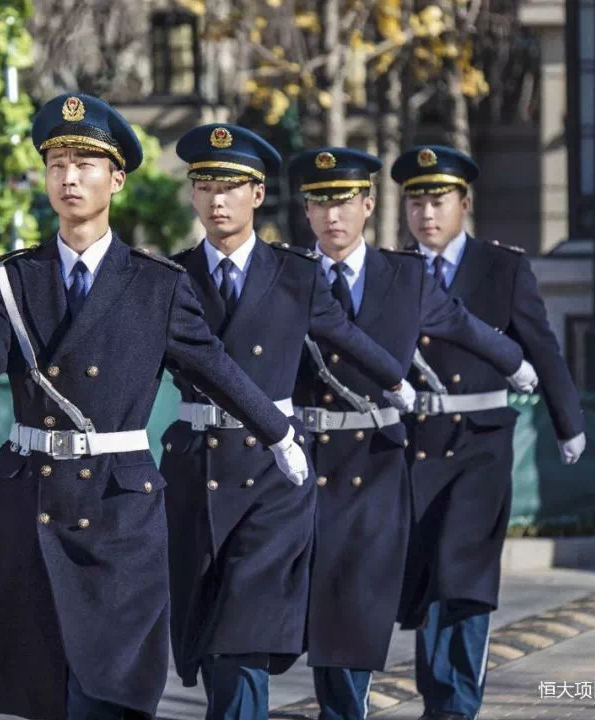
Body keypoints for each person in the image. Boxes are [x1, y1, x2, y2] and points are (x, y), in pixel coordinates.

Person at [0, 94, 310, 720]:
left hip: (117, 507)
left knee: (108, 687)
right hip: (31, 495)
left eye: (85, 164)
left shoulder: (157, 284)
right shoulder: (15, 276)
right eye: (57, 163)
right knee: (39, 682)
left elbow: (215, 367)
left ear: (116, 179)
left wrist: (277, 433)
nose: (68, 177)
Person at [158, 124, 417, 720]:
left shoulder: (297, 274)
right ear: (193, 196)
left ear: (257, 194)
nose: (217, 200)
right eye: (205, 186)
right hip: (196, 465)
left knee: (245, 626)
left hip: (272, 472)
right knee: (206, 624)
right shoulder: (169, 278)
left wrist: (395, 379)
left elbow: (341, 334)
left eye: (231, 187)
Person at [286, 147, 536, 720]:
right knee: (323, 600)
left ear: (369, 205)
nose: (333, 216)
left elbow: (458, 323)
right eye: (320, 203)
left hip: (377, 459)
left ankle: (352, 710)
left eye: (345, 201)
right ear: (305, 211)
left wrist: (517, 362)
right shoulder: (288, 272)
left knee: (354, 599)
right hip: (308, 456)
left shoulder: (404, 274)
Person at [390, 145, 586, 720]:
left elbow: (540, 345)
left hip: (480, 441)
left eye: (439, 200)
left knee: (465, 573)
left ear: (464, 204)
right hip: (415, 440)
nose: (427, 213)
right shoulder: (392, 270)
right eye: (417, 201)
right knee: (427, 576)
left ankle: (458, 702)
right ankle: (437, 695)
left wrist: (567, 420)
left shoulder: (503, 267)